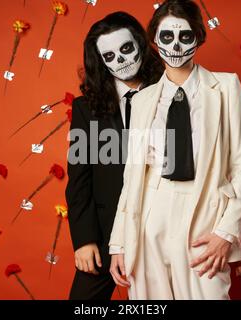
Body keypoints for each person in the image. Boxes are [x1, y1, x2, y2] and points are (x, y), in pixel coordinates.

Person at [109, 0, 241, 300]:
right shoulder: (142, 100)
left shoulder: (226, 87)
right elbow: (132, 176)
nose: (175, 45)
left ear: (199, 38)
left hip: (204, 216)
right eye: (166, 37)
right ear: (153, 41)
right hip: (150, 215)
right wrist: (119, 243)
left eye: (185, 36)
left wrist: (226, 232)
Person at [66, 11, 164, 300]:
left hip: (161, 229)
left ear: (140, 46)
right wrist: (84, 240)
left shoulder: (170, 95)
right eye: (109, 56)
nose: (120, 60)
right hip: (108, 235)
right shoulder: (86, 109)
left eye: (126, 49)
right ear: (101, 61)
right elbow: (79, 179)